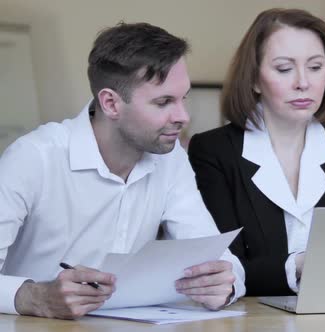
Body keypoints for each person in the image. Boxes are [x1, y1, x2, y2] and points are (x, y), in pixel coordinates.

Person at [0, 22, 245, 319]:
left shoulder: (170, 158)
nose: (183, 116)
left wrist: (226, 282)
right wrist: (34, 297)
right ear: (110, 103)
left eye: (184, 98)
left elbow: (217, 258)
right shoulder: (33, 158)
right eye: (163, 102)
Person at [188, 8, 325, 296]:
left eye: (315, 67)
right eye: (284, 68)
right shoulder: (213, 153)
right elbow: (224, 269)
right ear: (253, 79)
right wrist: (299, 265)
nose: (303, 82)